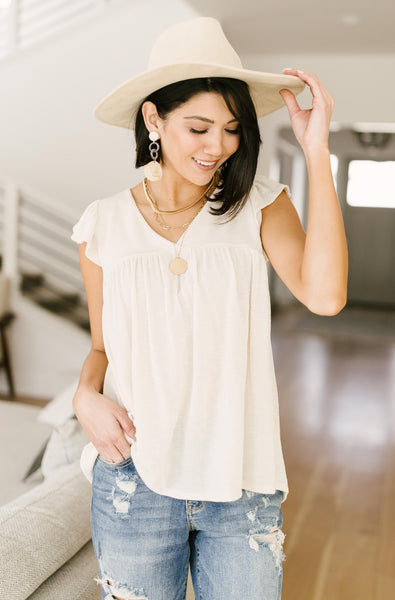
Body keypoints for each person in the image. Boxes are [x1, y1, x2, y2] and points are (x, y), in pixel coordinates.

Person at [70, 17, 348, 600]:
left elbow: (325, 296)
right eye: (198, 127)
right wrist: (84, 398)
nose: (218, 146)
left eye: (231, 129)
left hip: (241, 481)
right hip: (133, 480)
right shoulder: (103, 224)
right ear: (154, 119)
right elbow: (102, 346)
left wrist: (317, 149)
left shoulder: (262, 206)